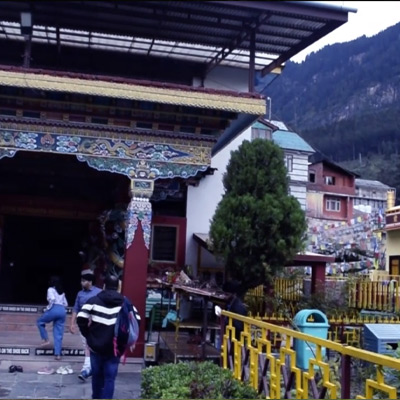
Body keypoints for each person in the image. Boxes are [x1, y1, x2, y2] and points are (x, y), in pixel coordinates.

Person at [77, 274, 140, 399]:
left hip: (96, 347)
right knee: (110, 379)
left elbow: (81, 318)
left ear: (104, 286)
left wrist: (88, 335)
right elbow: (137, 320)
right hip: (115, 348)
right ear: (118, 287)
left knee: (97, 376)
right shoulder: (125, 302)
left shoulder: (93, 300)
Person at [69, 269, 102, 382]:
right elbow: (76, 308)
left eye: (84, 281)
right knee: (86, 345)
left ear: (89, 281)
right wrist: (72, 323)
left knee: (93, 346)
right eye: (81, 281)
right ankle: (87, 369)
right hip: (83, 324)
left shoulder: (99, 292)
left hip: (96, 323)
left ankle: (88, 369)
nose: (82, 283)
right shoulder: (80, 293)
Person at [36, 275, 68, 361]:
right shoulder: (62, 292)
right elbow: (66, 304)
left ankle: (45, 339)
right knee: (58, 334)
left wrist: (47, 309)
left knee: (39, 321)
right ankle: (57, 355)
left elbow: (52, 300)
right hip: (62, 311)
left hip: (54, 308)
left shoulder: (50, 289)